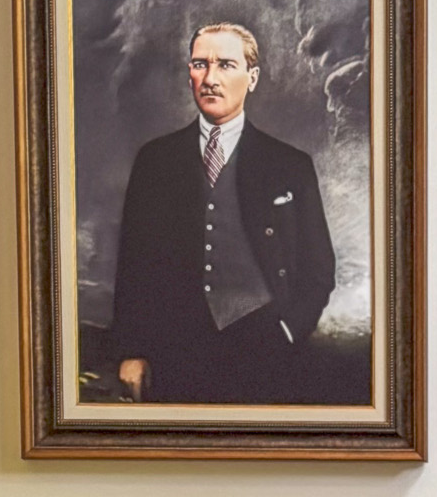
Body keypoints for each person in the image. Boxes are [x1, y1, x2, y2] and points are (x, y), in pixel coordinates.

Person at [108, 23, 337, 405]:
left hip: (265, 352)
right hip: (174, 353)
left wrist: (288, 330)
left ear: (252, 77)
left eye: (226, 65)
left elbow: (319, 267)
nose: (210, 78)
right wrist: (132, 350)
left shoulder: (289, 165)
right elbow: (134, 265)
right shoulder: (155, 160)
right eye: (200, 64)